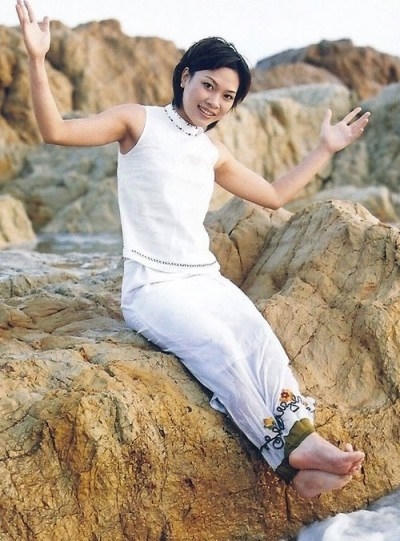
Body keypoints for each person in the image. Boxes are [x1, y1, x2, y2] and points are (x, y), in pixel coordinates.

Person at [16, 0, 370, 499]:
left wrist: (325, 148)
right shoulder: (137, 121)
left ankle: (303, 446)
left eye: (228, 96)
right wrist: (37, 59)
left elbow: (273, 195)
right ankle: (289, 455)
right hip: (153, 287)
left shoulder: (211, 151)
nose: (214, 102)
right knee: (220, 349)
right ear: (185, 77)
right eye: (208, 85)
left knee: (260, 341)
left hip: (204, 279)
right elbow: (56, 131)